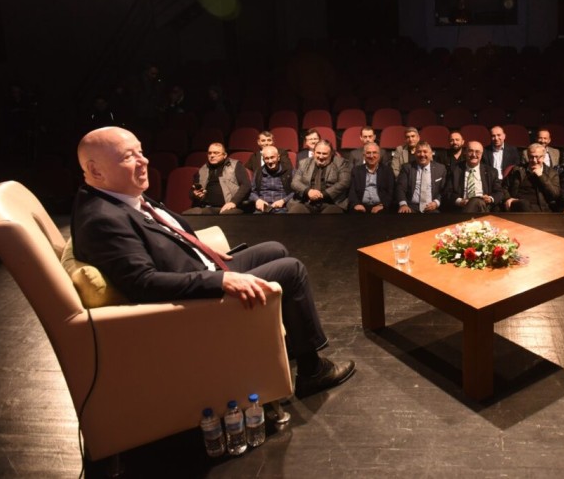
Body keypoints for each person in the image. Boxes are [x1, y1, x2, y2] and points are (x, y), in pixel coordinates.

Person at [71, 127, 355, 398]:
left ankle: (291, 342)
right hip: (195, 297)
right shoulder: (103, 219)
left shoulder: (120, 195)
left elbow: (166, 235)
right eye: (128, 156)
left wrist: (204, 251)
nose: (144, 161)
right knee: (291, 270)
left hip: (200, 265)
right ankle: (312, 370)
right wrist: (221, 279)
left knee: (275, 249)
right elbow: (142, 283)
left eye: (141, 152)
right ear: (96, 170)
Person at [184, 143, 250, 215]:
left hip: (230, 206)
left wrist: (233, 202)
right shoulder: (202, 170)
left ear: (224, 155)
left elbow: (246, 185)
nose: (212, 155)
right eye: (210, 153)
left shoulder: (235, 165)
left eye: (216, 153)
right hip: (207, 207)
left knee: (226, 215)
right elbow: (192, 191)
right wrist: (195, 194)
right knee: (189, 214)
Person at [289, 139, 351, 214]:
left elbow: (344, 182)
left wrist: (322, 195)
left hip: (331, 203)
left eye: (324, 154)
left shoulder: (340, 163)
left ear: (331, 154)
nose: (321, 156)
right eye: (318, 153)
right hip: (307, 202)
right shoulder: (304, 163)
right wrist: (308, 191)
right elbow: (295, 183)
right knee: (295, 212)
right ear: (313, 152)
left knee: (329, 217)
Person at [443, 141, 503, 213]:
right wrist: (460, 201)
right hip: (462, 208)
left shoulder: (491, 172)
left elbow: (499, 192)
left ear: (482, 154)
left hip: (485, 207)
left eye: (477, 152)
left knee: (476, 201)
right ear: (465, 152)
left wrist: (490, 198)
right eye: (470, 151)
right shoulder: (455, 170)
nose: (474, 155)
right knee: (474, 202)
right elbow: (447, 192)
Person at [504, 143, 561, 212]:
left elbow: (555, 195)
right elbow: (504, 187)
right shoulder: (517, 170)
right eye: (531, 157)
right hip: (519, 206)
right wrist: (508, 198)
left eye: (537, 157)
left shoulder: (552, 173)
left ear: (543, 157)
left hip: (541, 208)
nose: (534, 160)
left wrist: (541, 176)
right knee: (524, 204)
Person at [396, 141, 447, 213]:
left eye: (425, 152)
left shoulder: (440, 169)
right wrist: (403, 204)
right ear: (415, 154)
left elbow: (443, 190)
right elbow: (400, 188)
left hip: (432, 207)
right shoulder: (407, 168)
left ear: (431, 153)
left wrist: (436, 202)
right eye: (419, 152)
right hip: (411, 206)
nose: (422, 155)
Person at [348, 142, 395, 213]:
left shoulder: (387, 171)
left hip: (381, 206)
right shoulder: (356, 171)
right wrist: (356, 204)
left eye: (374, 153)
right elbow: (352, 191)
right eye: (368, 153)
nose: (371, 156)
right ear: (364, 155)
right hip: (360, 205)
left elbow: (391, 191)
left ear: (379, 155)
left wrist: (383, 205)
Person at [249, 145, 296, 214]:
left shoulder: (289, 171)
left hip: (282, 208)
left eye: (272, 157)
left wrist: (283, 200)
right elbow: (251, 192)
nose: (270, 161)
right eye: (266, 158)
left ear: (278, 157)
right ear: (263, 159)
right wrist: (257, 200)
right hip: (262, 208)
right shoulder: (258, 172)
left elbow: (295, 191)